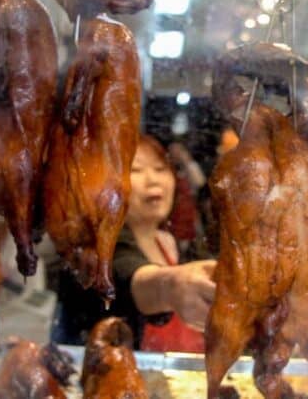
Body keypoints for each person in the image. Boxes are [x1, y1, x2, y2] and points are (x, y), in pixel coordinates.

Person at [54, 135, 216, 352]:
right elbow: (125, 274)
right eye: (135, 170)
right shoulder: (93, 246)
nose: (153, 180)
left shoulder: (170, 243)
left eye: (160, 169)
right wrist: (170, 286)